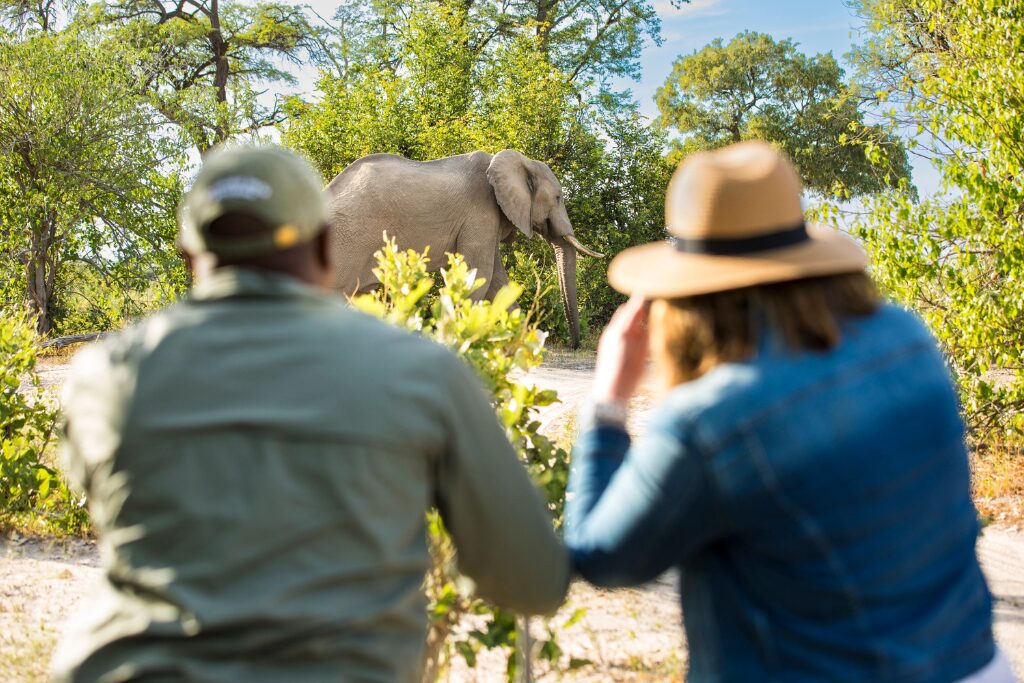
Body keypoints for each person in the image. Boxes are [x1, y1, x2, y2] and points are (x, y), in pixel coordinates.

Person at [52, 145, 568, 682]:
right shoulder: (422, 372)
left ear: (188, 254)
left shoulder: (103, 374)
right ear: (326, 244)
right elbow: (533, 579)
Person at [565, 141, 1015, 682]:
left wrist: (609, 401)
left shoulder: (709, 421)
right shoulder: (907, 335)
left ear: (682, 299)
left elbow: (603, 557)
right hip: (976, 664)